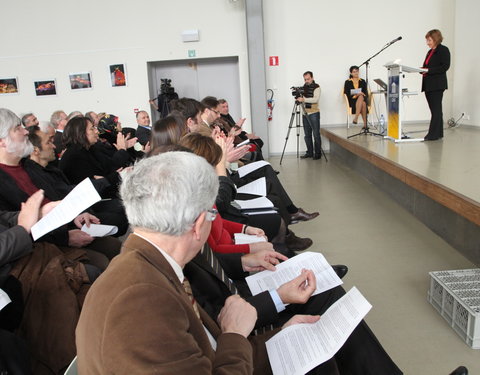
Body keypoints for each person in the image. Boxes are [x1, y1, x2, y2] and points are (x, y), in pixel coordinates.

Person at [76, 152, 275, 374]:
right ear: (199, 224)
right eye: (212, 213)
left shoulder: (151, 264)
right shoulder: (141, 301)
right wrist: (235, 334)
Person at [421, 29, 451, 141]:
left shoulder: (443, 50)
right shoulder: (430, 52)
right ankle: (438, 133)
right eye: (427, 40)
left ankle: (432, 135)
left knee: (436, 109)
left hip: (437, 84)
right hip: (428, 84)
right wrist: (422, 69)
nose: (427, 43)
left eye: (429, 40)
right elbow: (427, 66)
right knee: (435, 110)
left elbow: (445, 67)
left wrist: (428, 70)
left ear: (436, 39)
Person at [296, 71, 322, 160]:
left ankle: (317, 154)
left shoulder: (317, 87)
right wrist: (299, 98)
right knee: (307, 135)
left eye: (308, 79)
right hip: (305, 113)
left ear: (312, 78)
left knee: (316, 134)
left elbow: (315, 99)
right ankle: (310, 152)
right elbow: (302, 99)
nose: (306, 81)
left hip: (314, 113)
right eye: (305, 79)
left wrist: (304, 99)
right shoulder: (303, 88)